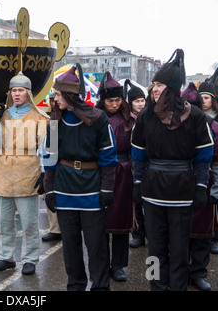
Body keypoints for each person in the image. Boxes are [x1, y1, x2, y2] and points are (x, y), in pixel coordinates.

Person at [131, 49, 214, 291]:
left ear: (172, 88)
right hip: (153, 190)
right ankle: (156, 285)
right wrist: (137, 183)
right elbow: (138, 154)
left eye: (160, 85)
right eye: (154, 84)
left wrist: (200, 186)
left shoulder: (196, 117)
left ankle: (177, 287)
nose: (154, 89)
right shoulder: (146, 117)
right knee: (154, 248)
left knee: (179, 247)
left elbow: (203, 156)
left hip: (182, 191)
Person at [42, 65, 117, 291]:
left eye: (57, 94)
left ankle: (101, 286)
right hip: (64, 188)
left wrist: (107, 188)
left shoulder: (98, 119)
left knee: (96, 244)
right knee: (70, 244)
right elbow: (50, 157)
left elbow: (108, 155)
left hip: (91, 188)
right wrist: (49, 188)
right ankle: (75, 284)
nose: (55, 99)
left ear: (69, 95)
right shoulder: (55, 122)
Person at [0, 71, 49, 276]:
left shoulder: (39, 117)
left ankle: (30, 258)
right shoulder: (2, 115)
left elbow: (48, 148)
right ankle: (6, 257)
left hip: (27, 171)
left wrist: (45, 172)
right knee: (4, 221)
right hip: (3, 171)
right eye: (14, 90)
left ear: (28, 93)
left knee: (29, 222)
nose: (17, 94)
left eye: (21, 90)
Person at [182, 82, 218, 291]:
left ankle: (199, 272)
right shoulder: (170, 124)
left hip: (205, 185)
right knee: (177, 234)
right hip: (176, 185)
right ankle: (179, 273)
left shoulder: (214, 127)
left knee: (202, 234)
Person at [96, 72, 136, 282]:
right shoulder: (93, 117)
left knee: (121, 218)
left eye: (117, 100)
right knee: (99, 221)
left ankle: (118, 264)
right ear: (103, 100)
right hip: (99, 171)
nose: (114, 104)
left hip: (123, 171)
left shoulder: (130, 120)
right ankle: (101, 265)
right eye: (110, 100)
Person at [198, 75, 218, 254]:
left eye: (207, 97)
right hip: (201, 165)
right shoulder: (194, 116)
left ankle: (217, 234)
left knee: (217, 199)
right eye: (201, 97)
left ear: (213, 98)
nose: (203, 101)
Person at [124, 80, 148, 249]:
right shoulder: (126, 121)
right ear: (130, 103)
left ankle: (152, 235)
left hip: (148, 165)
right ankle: (138, 234)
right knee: (135, 201)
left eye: (142, 100)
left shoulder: (150, 117)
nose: (140, 104)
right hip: (131, 165)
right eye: (136, 101)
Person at [40, 91, 61, 242]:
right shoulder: (47, 120)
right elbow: (44, 147)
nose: (54, 103)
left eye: (56, 100)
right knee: (50, 196)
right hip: (48, 164)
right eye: (52, 100)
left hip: (62, 165)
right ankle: (55, 229)